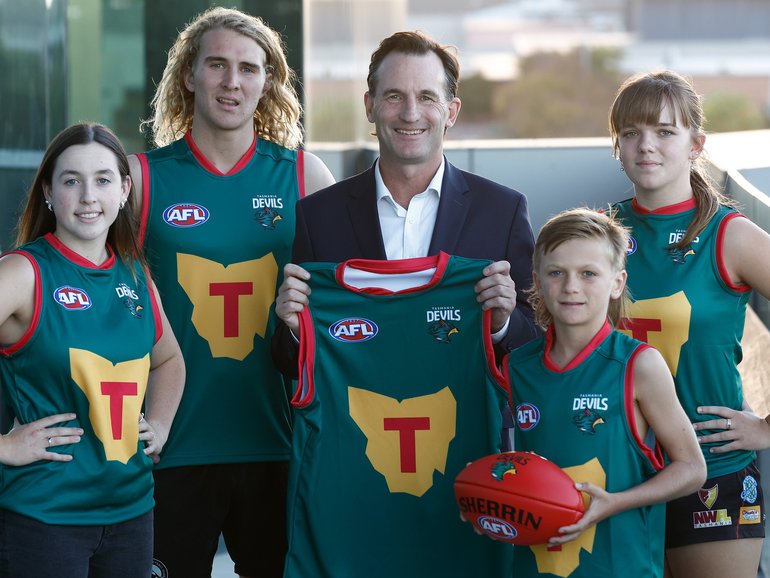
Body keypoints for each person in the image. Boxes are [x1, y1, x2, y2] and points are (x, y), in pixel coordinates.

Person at [127, 7, 335, 578]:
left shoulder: (304, 177)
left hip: (278, 444)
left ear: (268, 81)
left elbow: (349, 310)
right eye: (216, 64)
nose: (232, 81)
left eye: (248, 67)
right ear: (188, 74)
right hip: (169, 446)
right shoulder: (137, 179)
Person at [272, 29, 538, 376]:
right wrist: (294, 331)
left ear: (451, 111)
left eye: (427, 97)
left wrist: (504, 322)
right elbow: (289, 365)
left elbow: (539, 352)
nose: (411, 114)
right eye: (395, 96)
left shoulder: (502, 212)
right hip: (362, 429)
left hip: (467, 429)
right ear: (370, 106)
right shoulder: (319, 215)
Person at [0, 122, 184, 577]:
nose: (88, 196)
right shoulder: (24, 273)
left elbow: (169, 360)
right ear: (48, 190)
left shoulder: (135, 276)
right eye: (71, 180)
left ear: (124, 191)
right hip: (45, 521)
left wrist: (158, 425)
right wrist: (4, 446)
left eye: (102, 180)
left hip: (132, 515)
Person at [610, 70, 770, 577]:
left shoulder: (731, 234)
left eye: (664, 131)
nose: (646, 146)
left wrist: (768, 428)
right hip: (618, 471)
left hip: (714, 475)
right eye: (631, 133)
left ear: (696, 144)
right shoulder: (599, 232)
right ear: (616, 146)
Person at [506, 207, 706, 577]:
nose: (571, 287)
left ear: (617, 282)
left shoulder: (638, 365)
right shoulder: (516, 367)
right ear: (536, 280)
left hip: (620, 566)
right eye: (556, 272)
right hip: (536, 565)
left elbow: (692, 468)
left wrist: (615, 502)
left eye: (588, 274)